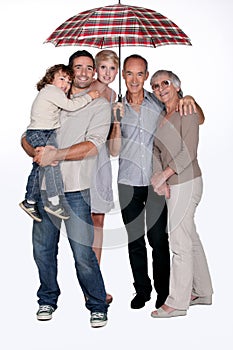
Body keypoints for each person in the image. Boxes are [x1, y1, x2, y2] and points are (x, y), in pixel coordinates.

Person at [21, 50, 111, 328]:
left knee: (83, 254)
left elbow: (93, 145)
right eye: (77, 67)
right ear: (69, 73)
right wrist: (36, 151)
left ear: (94, 72)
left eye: (88, 67)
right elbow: (26, 136)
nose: (83, 72)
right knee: (43, 251)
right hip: (45, 190)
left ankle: (97, 305)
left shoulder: (99, 105)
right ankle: (47, 299)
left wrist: (55, 155)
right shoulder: (55, 98)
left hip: (75, 191)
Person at [109, 54, 205, 310]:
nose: (134, 79)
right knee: (134, 240)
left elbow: (190, 114)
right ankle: (142, 290)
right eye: (129, 73)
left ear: (146, 75)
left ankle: (164, 292)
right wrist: (116, 123)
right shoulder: (116, 107)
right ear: (123, 76)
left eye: (140, 74)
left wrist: (189, 97)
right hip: (127, 181)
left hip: (157, 182)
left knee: (159, 239)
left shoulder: (158, 102)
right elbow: (114, 151)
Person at [150, 70, 213, 318]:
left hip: (187, 182)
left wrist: (163, 175)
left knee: (179, 242)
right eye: (154, 86)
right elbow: (155, 150)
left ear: (176, 86)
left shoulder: (188, 110)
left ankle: (177, 303)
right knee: (190, 237)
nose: (160, 88)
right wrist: (160, 179)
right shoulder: (162, 117)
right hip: (172, 184)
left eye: (165, 83)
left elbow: (188, 153)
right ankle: (203, 291)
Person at [19, 64, 100, 222]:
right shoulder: (52, 91)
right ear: (50, 79)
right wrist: (90, 96)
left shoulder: (51, 92)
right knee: (51, 162)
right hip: (40, 132)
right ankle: (54, 202)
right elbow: (71, 106)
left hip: (42, 132)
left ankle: (30, 201)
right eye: (61, 79)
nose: (65, 84)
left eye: (69, 81)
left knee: (40, 167)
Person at [90, 50, 118, 296]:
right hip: (82, 160)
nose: (107, 73)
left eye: (112, 69)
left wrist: (117, 119)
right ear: (96, 69)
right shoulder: (86, 89)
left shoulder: (114, 96)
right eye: (103, 68)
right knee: (82, 223)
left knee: (98, 221)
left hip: (101, 161)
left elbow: (113, 145)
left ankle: (95, 285)